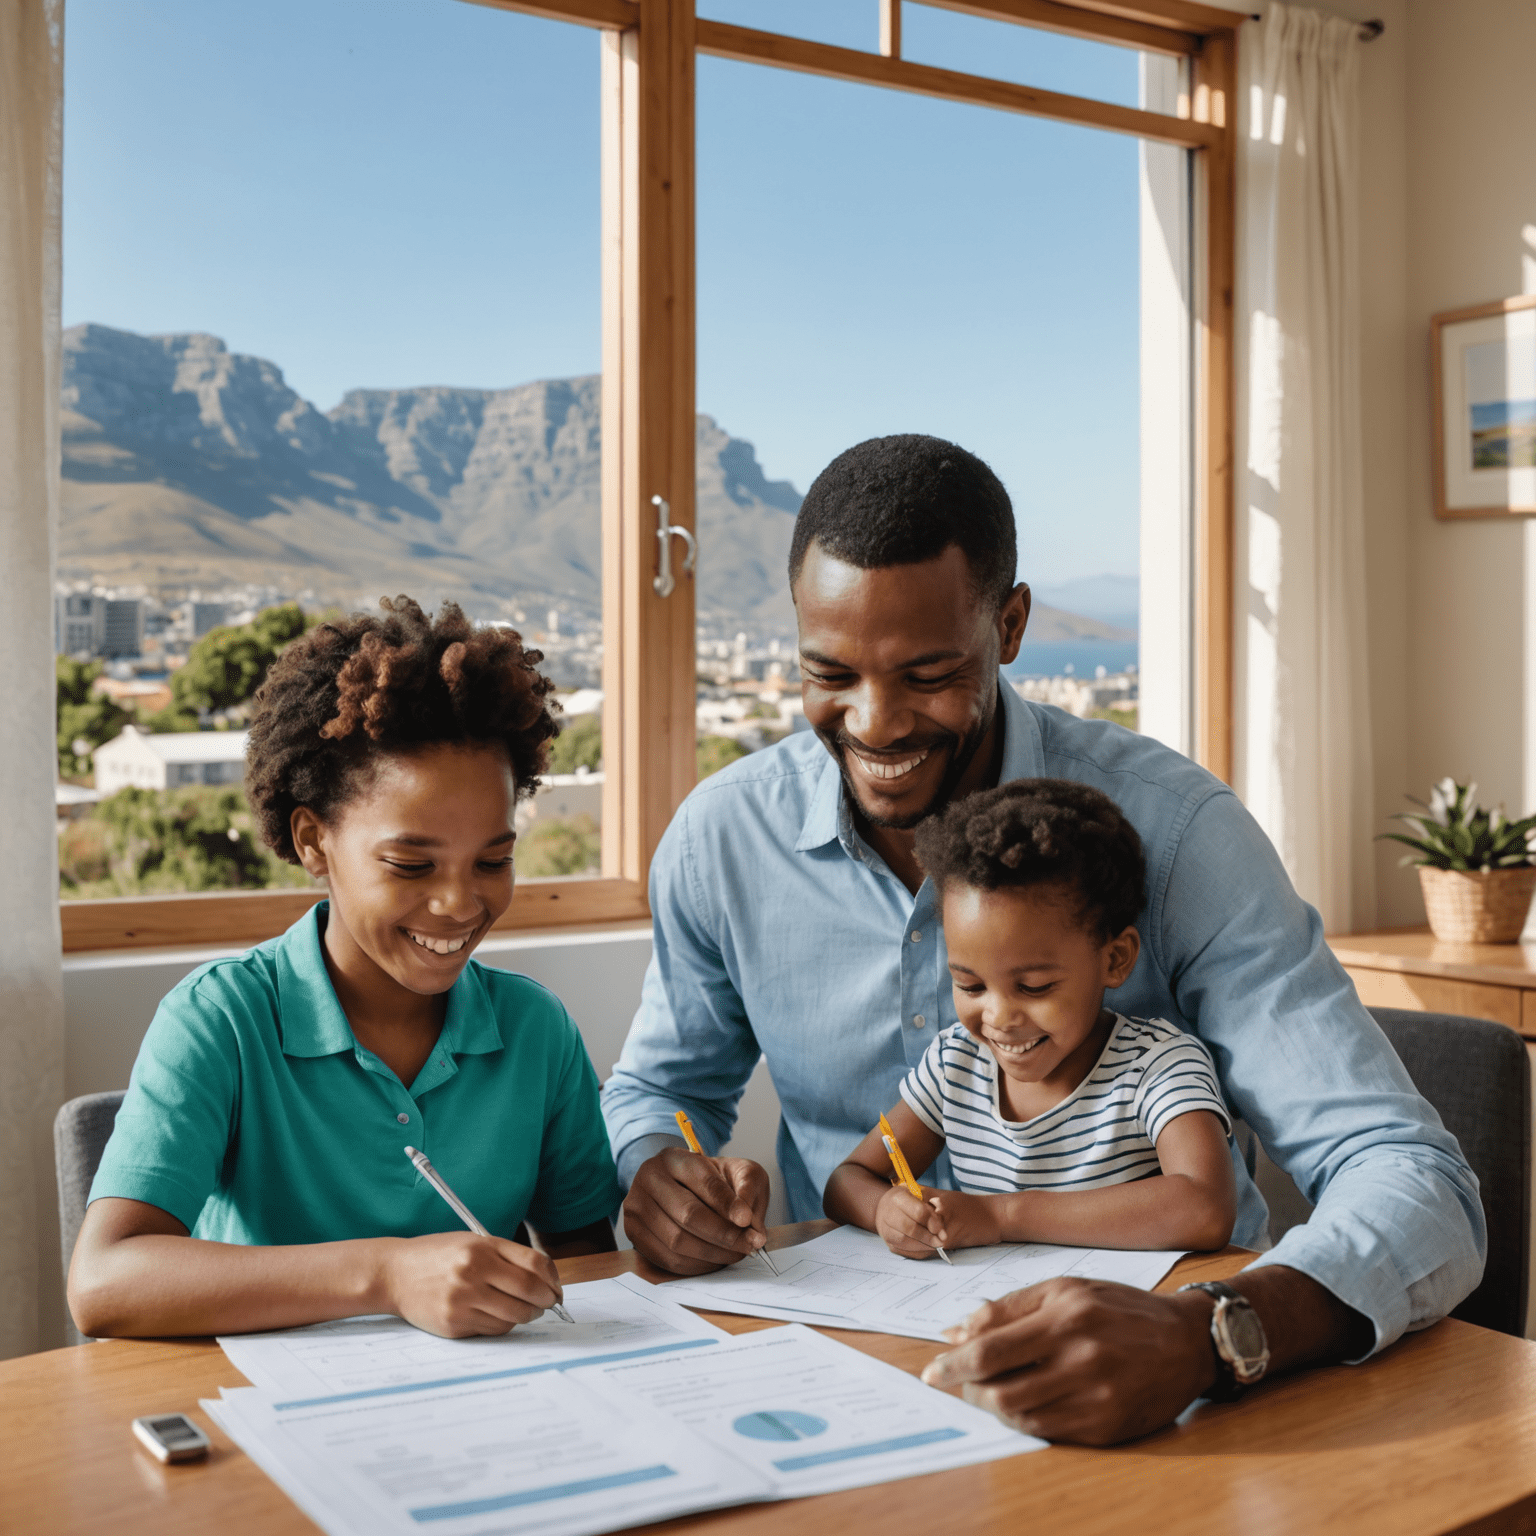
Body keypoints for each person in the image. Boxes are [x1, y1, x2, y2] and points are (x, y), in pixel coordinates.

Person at [602, 433, 1484, 1445]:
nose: (875, 723)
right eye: (829, 672)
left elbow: (1416, 1184)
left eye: (928, 673)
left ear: (1010, 625)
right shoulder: (723, 840)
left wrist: (1213, 1335)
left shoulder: (1180, 835)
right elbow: (659, 1092)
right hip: (855, 1384)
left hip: (1179, 1398)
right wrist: (657, 1172)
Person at [70, 597, 620, 1341]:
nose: (460, 903)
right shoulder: (221, 1020)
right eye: (409, 863)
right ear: (313, 841)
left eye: (493, 860)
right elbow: (105, 1283)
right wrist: (389, 1274)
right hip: (271, 1417)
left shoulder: (535, 1030)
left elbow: (586, 1255)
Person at [824, 778, 1235, 1259]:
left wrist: (1000, 1217)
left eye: (1034, 987)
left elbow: (1205, 1207)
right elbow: (847, 1180)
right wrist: (885, 1209)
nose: (998, 1017)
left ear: (1115, 959)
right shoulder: (956, 1065)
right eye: (971, 985)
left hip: (1122, 1321)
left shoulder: (1156, 1067)